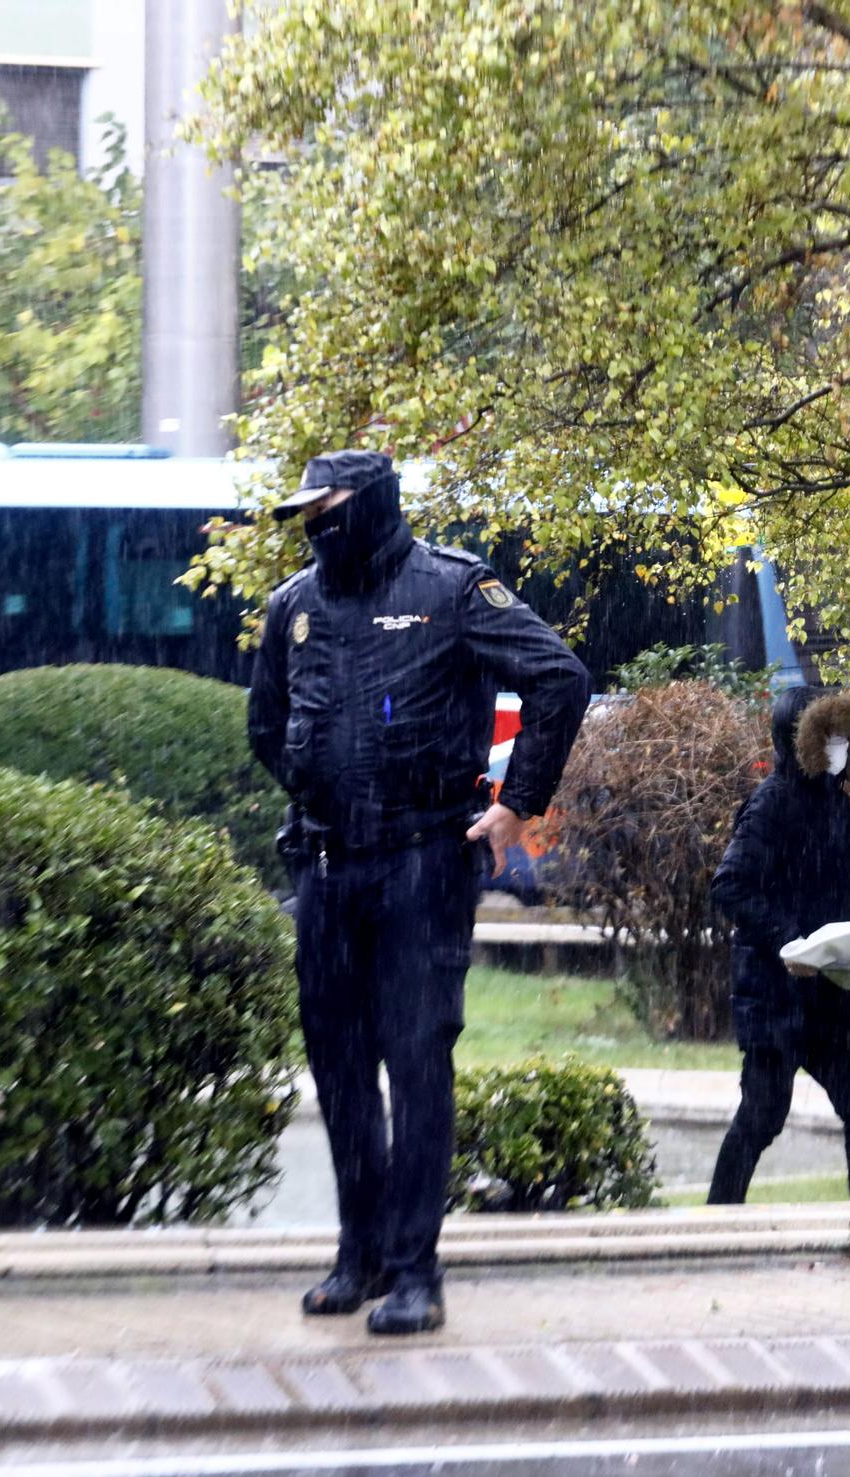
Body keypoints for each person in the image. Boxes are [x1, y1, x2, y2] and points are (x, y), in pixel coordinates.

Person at [248, 450, 590, 1335]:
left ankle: (415, 1271)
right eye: (305, 511)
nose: (313, 524)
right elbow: (266, 724)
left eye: (326, 506)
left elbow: (559, 677)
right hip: (325, 867)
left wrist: (519, 805)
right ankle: (357, 1256)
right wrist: (315, 778)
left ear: (369, 502)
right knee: (340, 1072)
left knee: (415, 1062)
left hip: (420, 864)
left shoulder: (450, 589)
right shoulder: (294, 607)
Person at [706, 685, 850, 1204]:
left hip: (829, 998)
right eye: (828, 736)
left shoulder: (838, 806)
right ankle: (715, 1221)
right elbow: (730, 885)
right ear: (799, 739)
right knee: (763, 1113)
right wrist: (791, 942)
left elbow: (841, 889)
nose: (839, 747)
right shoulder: (771, 804)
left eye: (842, 737)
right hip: (772, 994)